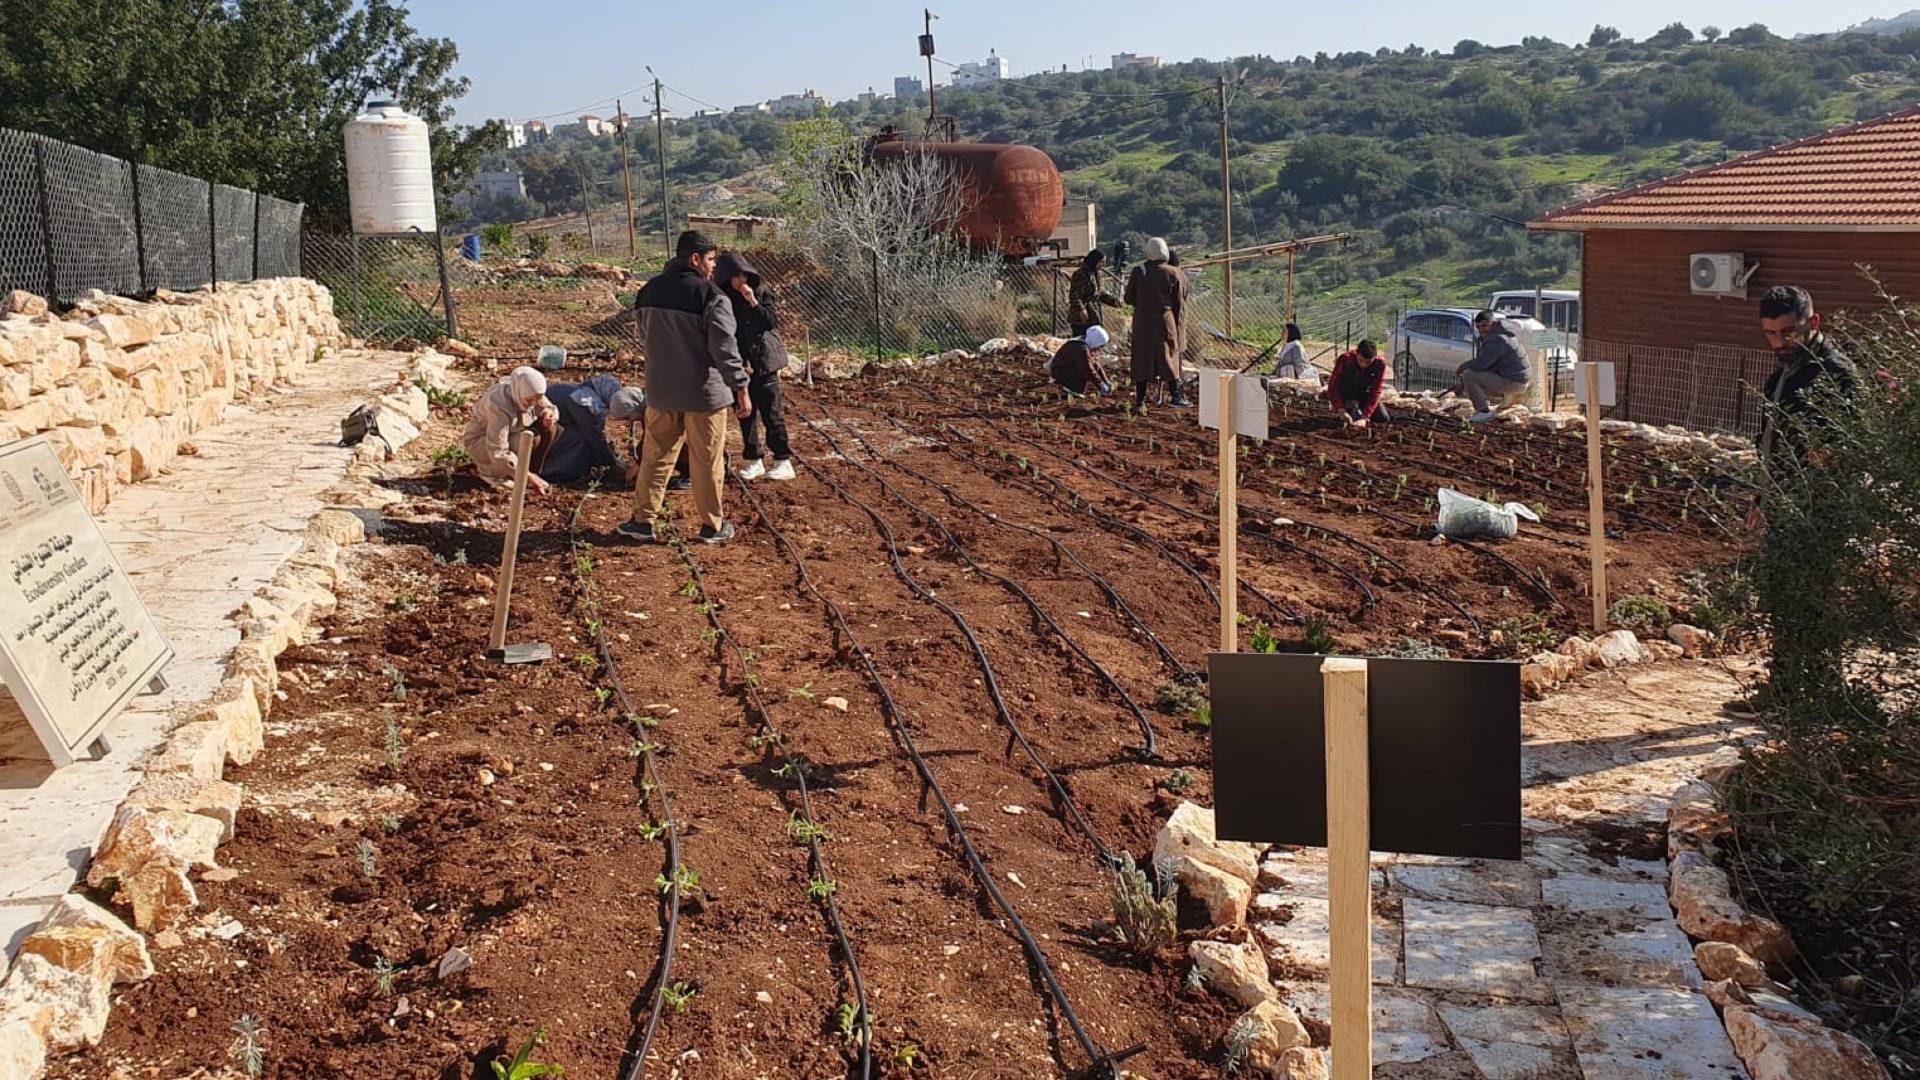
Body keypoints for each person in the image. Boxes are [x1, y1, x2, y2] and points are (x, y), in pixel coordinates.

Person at [617, 230, 752, 544]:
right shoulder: (711, 296)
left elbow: (643, 338)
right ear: (695, 259)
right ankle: (712, 526)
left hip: (661, 393)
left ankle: (642, 521)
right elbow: (724, 349)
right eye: (710, 259)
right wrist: (740, 387)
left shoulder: (647, 291)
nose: (713, 267)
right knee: (706, 462)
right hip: (703, 396)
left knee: (656, 457)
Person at [714, 251, 794, 482]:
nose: (742, 280)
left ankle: (782, 459)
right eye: (736, 275)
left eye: (744, 274)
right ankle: (754, 460)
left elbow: (770, 322)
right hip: (739, 362)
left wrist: (753, 301)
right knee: (745, 413)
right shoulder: (724, 300)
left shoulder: (761, 293)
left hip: (764, 361)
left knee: (772, 412)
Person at [1755, 285, 1858, 466]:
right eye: (1771, 333)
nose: (1779, 342)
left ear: (1813, 323)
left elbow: (1853, 452)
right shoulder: (1781, 376)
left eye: (1789, 332)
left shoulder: (1837, 373)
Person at [462, 366, 559, 495]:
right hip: (481, 442)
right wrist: (525, 475)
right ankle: (491, 473)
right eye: (530, 400)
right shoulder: (498, 405)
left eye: (537, 399)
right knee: (522, 442)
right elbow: (498, 449)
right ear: (519, 392)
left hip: (510, 434)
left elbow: (548, 406)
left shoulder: (527, 390)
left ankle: (527, 473)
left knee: (547, 430)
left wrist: (549, 412)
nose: (534, 403)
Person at [536, 374, 644, 487]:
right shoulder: (586, 402)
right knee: (581, 439)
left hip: (545, 432)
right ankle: (550, 472)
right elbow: (596, 439)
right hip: (542, 435)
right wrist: (614, 465)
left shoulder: (578, 392)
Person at [1124, 237, 1190, 410]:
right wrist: (1178, 330)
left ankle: (1140, 400)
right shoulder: (1173, 273)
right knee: (1168, 357)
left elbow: (1128, 298)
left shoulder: (1138, 271)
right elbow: (1179, 304)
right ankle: (1176, 396)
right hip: (1164, 321)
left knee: (1142, 358)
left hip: (1141, 322)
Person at [1456, 310, 1529, 422]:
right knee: (1470, 377)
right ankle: (1508, 398)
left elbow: (1481, 363)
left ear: (1493, 324)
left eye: (1485, 326)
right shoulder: (1502, 335)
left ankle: (1483, 412)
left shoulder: (1497, 339)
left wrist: (1462, 367)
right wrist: (1463, 383)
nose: (1481, 330)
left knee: (1469, 374)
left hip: (1513, 382)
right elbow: (1489, 366)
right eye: (1478, 327)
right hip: (1518, 382)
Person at [1326, 339, 1390, 427]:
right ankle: (1348, 406)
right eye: (1360, 360)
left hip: (1363, 393)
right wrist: (1339, 408)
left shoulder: (1380, 364)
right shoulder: (1345, 359)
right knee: (1341, 419)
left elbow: (1376, 391)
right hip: (1345, 392)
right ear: (1356, 353)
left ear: (1375, 357)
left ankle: (1355, 408)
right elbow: (1333, 385)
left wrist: (1365, 417)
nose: (1364, 365)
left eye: (1368, 362)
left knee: (1382, 417)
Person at [1067, 249, 1122, 338]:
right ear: (1094, 260)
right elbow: (1074, 295)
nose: (1103, 265)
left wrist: (1115, 302)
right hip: (1082, 317)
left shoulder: (1097, 274)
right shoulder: (1080, 274)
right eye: (1101, 262)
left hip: (1093, 314)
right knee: (1082, 341)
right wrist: (1081, 310)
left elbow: (1100, 293)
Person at [1049, 325, 1112, 396]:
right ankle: (1071, 389)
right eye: (1100, 346)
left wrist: (1106, 381)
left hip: (1065, 368)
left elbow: (1095, 364)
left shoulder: (1085, 343)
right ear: (1095, 342)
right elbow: (1088, 369)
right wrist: (1101, 385)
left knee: (1089, 364)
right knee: (1083, 370)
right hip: (1060, 372)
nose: (1099, 349)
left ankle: (1073, 387)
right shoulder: (1080, 348)